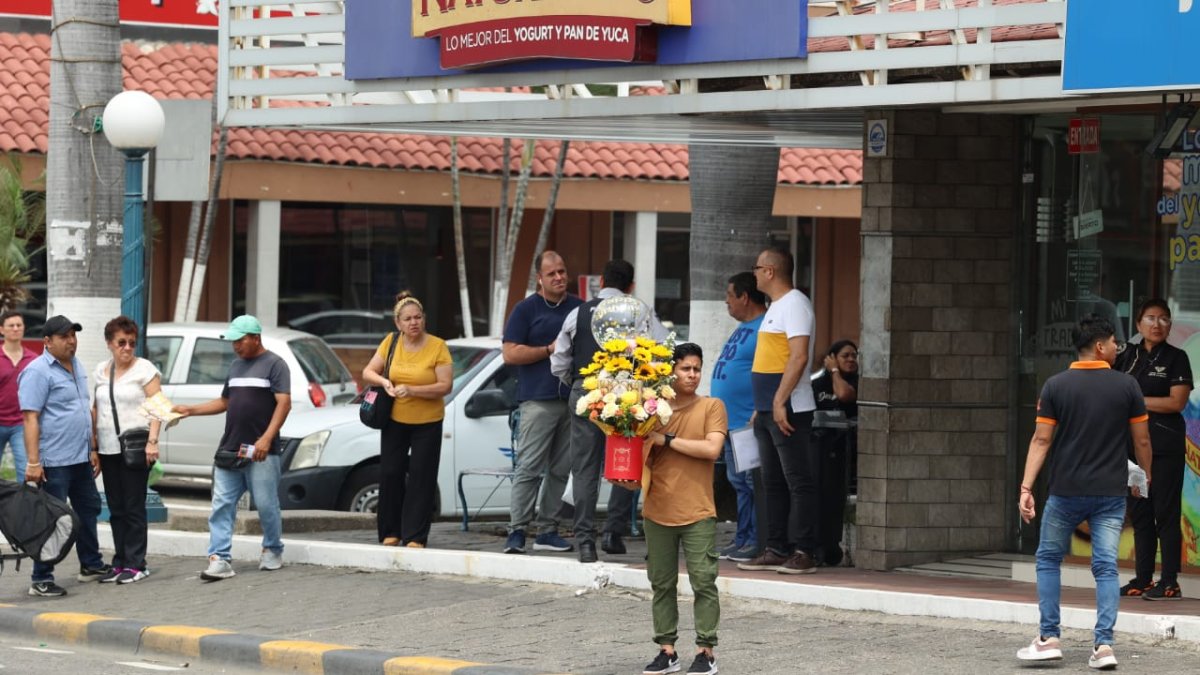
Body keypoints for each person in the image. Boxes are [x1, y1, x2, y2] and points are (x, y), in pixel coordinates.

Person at [1015, 317, 1152, 670]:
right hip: (1110, 493)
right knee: (1106, 567)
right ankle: (1104, 646)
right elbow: (1142, 440)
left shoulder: (1056, 386)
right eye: (1113, 343)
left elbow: (1041, 440)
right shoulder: (1127, 387)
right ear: (1100, 346)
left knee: (1048, 559)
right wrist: (1145, 476)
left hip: (1065, 491)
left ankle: (1049, 638)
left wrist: (1027, 486)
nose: (1117, 349)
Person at [550, 259, 668, 563]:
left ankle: (586, 542)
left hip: (587, 391)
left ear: (601, 281)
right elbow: (661, 349)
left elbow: (559, 360)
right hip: (629, 392)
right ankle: (614, 533)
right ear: (631, 286)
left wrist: (576, 382)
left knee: (585, 467)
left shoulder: (578, 312)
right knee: (626, 461)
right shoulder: (641, 311)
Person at [619, 343, 726, 675]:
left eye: (697, 368)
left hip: (698, 511)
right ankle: (667, 650)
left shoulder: (712, 406)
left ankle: (705, 652)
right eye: (686, 369)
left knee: (704, 582)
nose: (692, 375)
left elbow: (712, 449)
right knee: (661, 583)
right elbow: (638, 466)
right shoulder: (651, 411)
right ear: (671, 372)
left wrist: (667, 439)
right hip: (657, 511)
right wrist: (622, 469)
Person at [172, 315, 292, 580]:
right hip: (230, 449)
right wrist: (190, 410)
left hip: (261, 451)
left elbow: (284, 404)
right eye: (233, 341)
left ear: (255, 338)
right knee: (221, 505)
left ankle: (272, 549)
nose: (235, 346)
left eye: (240, 340)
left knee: (265, 504)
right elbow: (225, 401)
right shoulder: (236, 366)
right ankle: (220, 559)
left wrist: (266, 438)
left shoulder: (275, 364)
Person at [737, 247, 820, 575]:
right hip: (768, 410)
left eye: (757, 268)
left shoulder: (796, 304)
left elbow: (798, 357)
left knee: (797, 480)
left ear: (770, 271)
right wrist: (763, 406)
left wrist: (779, 401)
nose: (754, 273)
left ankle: (805, 549)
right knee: (772, 482)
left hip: (789, 409)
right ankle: (775, 547)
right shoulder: (776, 307)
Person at [18, 315, 111, 597]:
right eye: (64, 337)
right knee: (53, 518)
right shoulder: (38, 372)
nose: (71, 341)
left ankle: (90, 565)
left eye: (73, 335)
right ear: (47, 342)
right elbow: (30, 418)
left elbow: (84, 411)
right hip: (54, 461)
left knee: (88, 510)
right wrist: (33, 462)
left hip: (80, 457)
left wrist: (92, 448)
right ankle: (41, 578)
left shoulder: (76, 365)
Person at [502, 251, 582, 555]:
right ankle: (517, 531)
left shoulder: (578, 307)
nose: (559, 277)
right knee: (529, 468)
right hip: (537, 400)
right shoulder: (525, 310)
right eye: (552, 274)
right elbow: (509, 354)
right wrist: (550, 348)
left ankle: (547, 530)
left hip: (572, 400)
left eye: (562, 271)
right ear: (540, 278)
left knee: (561, 469)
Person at [1114, 299, 1192, 601]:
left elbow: (1176, 402)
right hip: (1131, 448)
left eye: (1163, 319)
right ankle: (1144, 579)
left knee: (1165, 513)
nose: (1157, 324)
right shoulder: (1128, 356)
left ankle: (1170, 581)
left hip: (1165, 446)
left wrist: (1136, 400)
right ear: (1138, 324)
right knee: (1141, 512)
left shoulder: (1177, 358)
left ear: (1170, 325)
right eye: (1150, 318)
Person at [362, 292, 452, 548]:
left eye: (418, 317)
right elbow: (369, 371)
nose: (414, 322)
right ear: (398, 323)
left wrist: (413, 391)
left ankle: (415, 535)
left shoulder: (438, 346)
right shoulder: (390, 342)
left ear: (424, 319)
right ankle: (391, 531)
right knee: (390, 473)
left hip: (428, 421)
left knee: (421, 476)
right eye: (408, 319)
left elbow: (445, 386)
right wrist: (385, 382)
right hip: (395, 419)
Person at [91, 315, 162, 584]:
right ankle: (120, 561)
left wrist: (152, 441)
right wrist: (94, 446)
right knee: (116, 508)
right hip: (108, 448)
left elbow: (158, 406)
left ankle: (136, 563)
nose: (127, 348)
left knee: (133, 507)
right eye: (121, 342)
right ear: (109, 343)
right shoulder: (101, 371)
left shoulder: (145, 369)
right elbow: (96, 409)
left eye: (132, 343)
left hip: (136, 447)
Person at [710, 272, 765, 563]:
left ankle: (755, 538)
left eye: (729, 296)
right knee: (739, 482)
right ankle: (743, 537)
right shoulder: (745, 327)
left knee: (751, 482)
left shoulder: (764, 327)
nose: (727, 302)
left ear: (744, 296)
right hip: (730, 422)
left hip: (746, 421)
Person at [811, 339, 858, 567]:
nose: (851, 359)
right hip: (820, 451)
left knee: (836, 500)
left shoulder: (854, 382)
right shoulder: (818, 384)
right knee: (820, 499)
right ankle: (818, 547)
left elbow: (844, 396)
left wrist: (836, 372)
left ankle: (833, 547)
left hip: (846, 453)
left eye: (853, 356)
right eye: (845, 355)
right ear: (831, 357)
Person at [1, 311, 37, 476]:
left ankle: (24, 503)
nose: (15, 329)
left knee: (25, 472)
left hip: (22, 424)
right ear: (2, 329)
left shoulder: (34, 360)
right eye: (11, 325)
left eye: (19, 325)